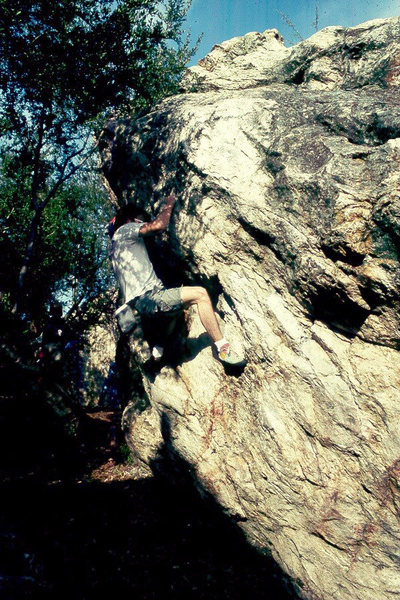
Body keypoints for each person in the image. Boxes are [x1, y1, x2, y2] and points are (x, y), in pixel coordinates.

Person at [109, 195, 246, 367]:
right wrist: (169, 204)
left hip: (142, 304)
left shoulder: (114, 249)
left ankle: (157, 354)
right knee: (200, 295)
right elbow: (159, 225)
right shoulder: (125, 229)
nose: (141, 223)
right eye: (140, 221)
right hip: (151, 298)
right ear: (130, 219)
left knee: (174, 312)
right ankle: (223, 349)